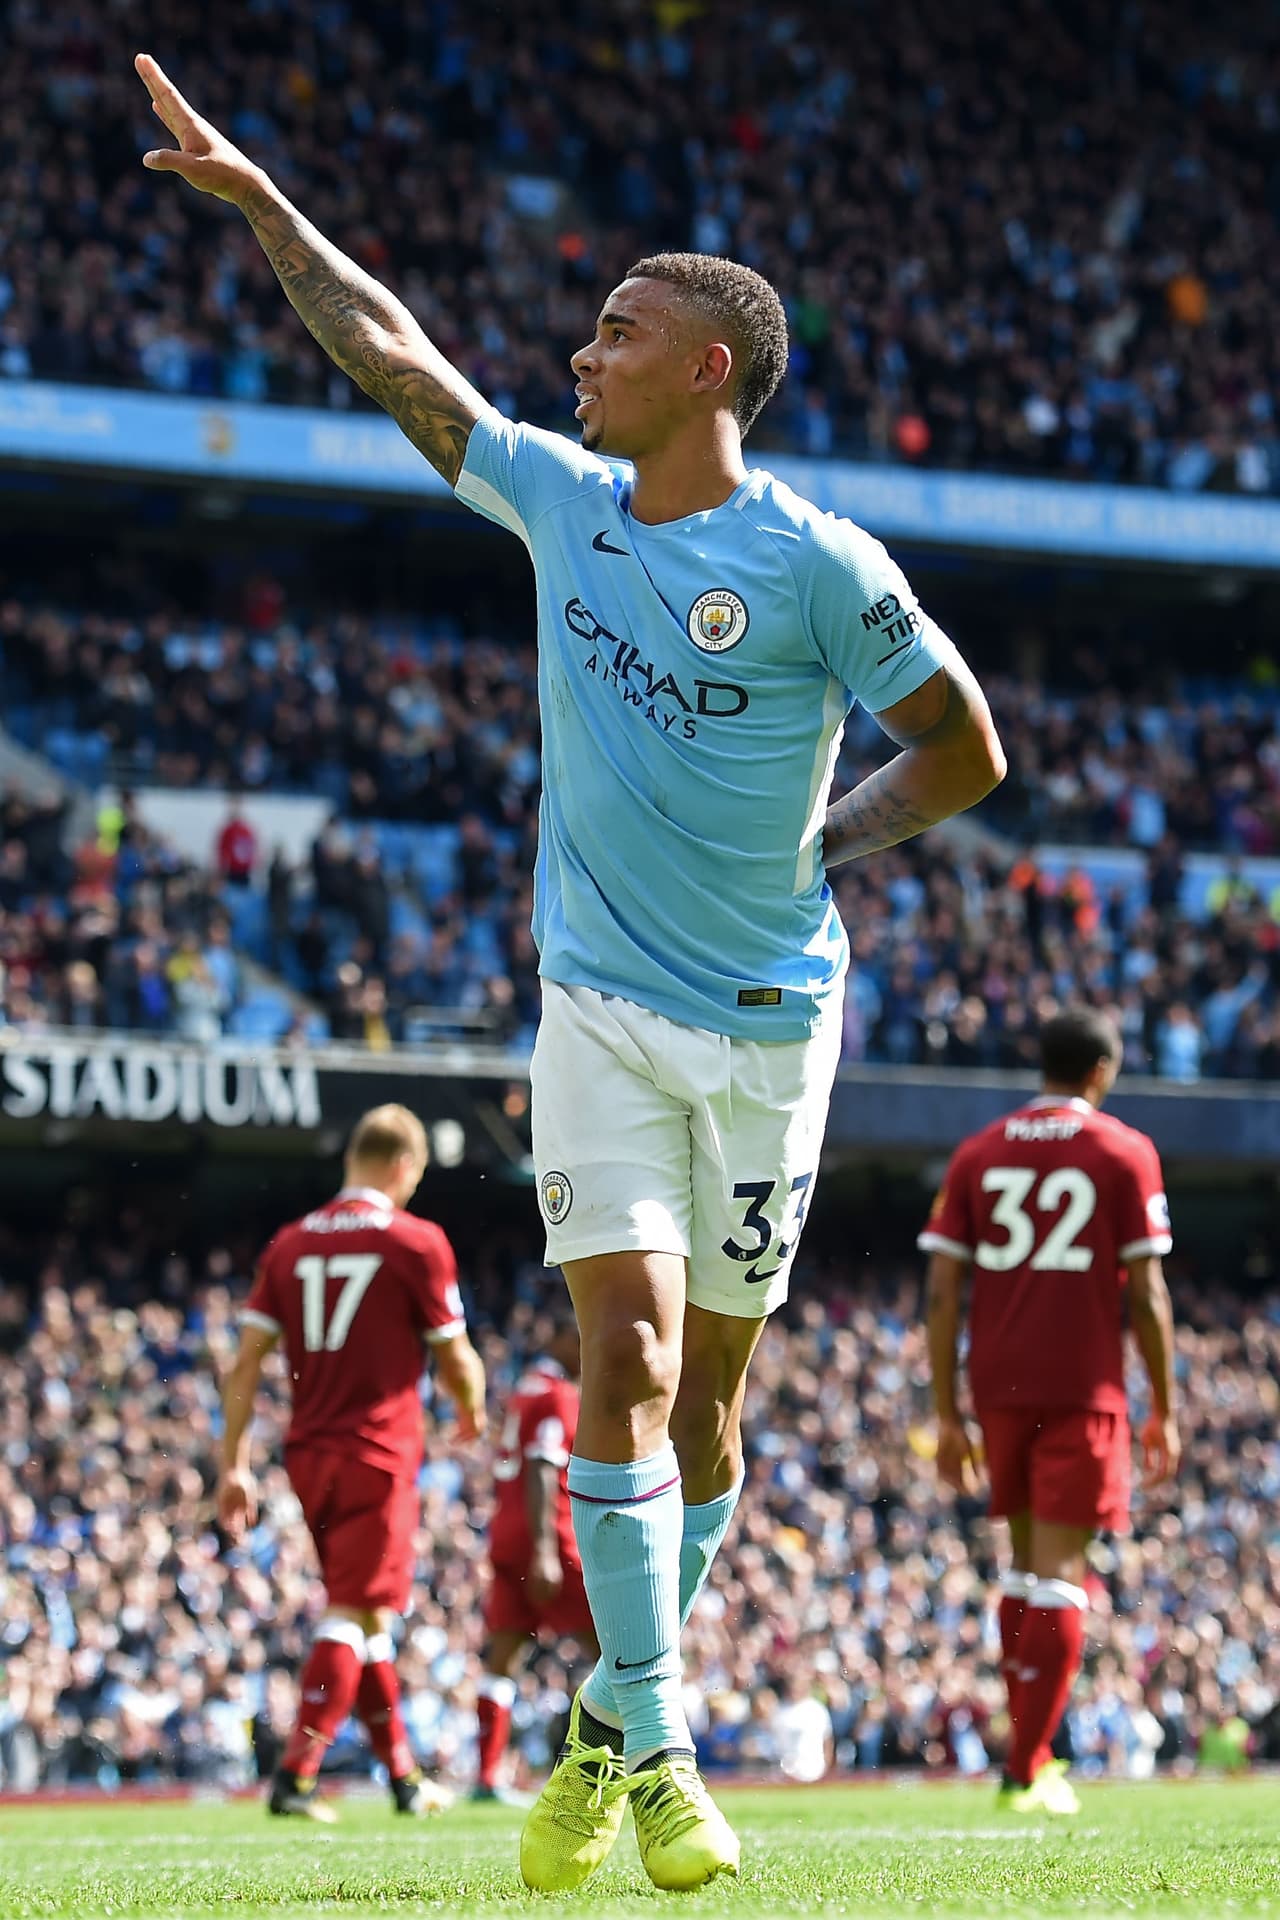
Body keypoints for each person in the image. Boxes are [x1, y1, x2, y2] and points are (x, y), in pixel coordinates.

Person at [136, 51, 1005, 1890]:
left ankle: (610, 1727)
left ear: (708, 369)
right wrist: (268, 204)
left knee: (709, 1413)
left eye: (617, 330)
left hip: (771, 1022)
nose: (578, 352)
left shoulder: (819, 566)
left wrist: (832, 843)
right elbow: (393, 353)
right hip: (596, 1003)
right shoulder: (555, 498)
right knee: (618, 1353)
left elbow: (968, 749)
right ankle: (665, 1743)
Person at [919, 1006, 1180, 1816]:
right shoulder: (1125, 1151)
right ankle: (1026, 1769)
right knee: (1063, 1577)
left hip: (998, 1387)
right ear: (1101, 1072)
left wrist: (946, 1410)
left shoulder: (978, 1152)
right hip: (1083, 1386)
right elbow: (1147, 1293)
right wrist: (1164, 1408)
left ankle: (1024, 1759)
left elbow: (940, 1294)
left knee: (1026, 1571)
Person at [217, 1103, 486, 1821]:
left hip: (309, 1455)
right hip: (378, 1452)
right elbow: (454, 1354)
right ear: (405, 1167)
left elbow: (245, 1365)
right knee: (349, 1610)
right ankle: (296, 1776)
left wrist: (233, 1464)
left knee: (367, 1617)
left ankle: (403, 1777)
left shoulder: (290, 1244)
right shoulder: (416, 1241)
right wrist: (472, 1407)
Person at [475, 1312, 598, 1803]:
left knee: (501, 1659)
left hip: (508, 1536)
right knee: (614, 1652)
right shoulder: (556, 1393)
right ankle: (634, 1758)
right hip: (547, 1539)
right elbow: (543, 1469)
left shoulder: (523, 1388)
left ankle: (487, 1777)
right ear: (566, 1338)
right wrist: (547, 1548)